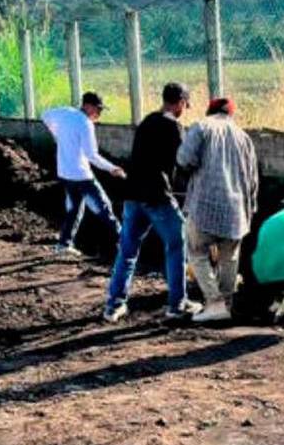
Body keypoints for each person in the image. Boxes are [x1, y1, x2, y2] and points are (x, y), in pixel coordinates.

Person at [103, 83, 198, 324]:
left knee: (127, 251)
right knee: (177, 243)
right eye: (185, 105)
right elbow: (181, 164)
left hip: (132, 195)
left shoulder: (147, 121)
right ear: (180, 103)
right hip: (156, 196)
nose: (184, 110)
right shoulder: (174, 128)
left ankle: (114, 305)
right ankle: (177, 304)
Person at [176, 97, 259, 323]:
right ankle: (227, 303)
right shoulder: (244, 137)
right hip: (236, 209)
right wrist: (251, 208)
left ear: (210, 111)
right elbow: (253, 179)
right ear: (231, 114)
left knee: (197, 252)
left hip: (204, 205)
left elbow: (184, 159)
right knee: (229, 257)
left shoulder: (201, 127)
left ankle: (214, 303)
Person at [41, 92, 124, 256]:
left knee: (74, 209)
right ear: (87, 106)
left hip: (65, 172)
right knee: (104, 208)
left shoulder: (66, 113)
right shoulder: (85, 124)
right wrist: (112, 168)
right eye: (97, 109)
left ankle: (64, 245)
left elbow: (45, 115)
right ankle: (125, 242)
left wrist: (56, 134)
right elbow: (92, 155)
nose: (99, 113)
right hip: (82, 175)